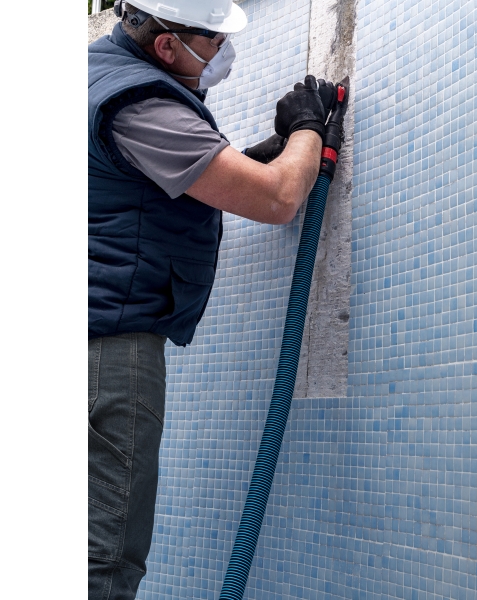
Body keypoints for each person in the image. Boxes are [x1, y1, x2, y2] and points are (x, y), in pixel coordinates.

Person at [88, 0, 337, 597]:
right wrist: (308, 129)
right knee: (104, 557)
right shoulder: (141, 104)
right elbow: (276, 199)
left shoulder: (91, 75)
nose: (223, 53)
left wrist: (243, 163)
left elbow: (135, 193)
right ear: (166, 44)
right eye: (212, 40)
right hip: (107, 349)